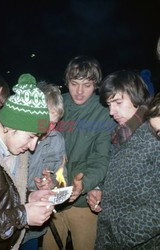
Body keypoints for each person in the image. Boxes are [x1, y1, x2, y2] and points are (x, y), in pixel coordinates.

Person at [43, 55, 114, 250]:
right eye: (74, 84)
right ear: (66, 82)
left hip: (83, 202)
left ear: (96, 85)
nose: (80, 92)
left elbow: (101, 158)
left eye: (87, 85)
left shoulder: (104, 112)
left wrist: (85, 184)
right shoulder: (57, 104)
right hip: (52, 198)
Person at [87, 70, 160, 249]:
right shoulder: (121, 132)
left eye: (118, 102)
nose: (112, 112)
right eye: (109, 104)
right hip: (110, 236)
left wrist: (121, 233)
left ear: (136, 96)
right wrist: (100, 190)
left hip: (137, 242)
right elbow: (118, 173)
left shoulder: (155, 135)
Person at [0, 73, 55, 250]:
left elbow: (0, 195)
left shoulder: (18, 149)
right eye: (31, 136)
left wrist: (29, 197)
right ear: (11, 125)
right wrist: (23, 215)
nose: (33, 147)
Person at [20, 82, 67, 250]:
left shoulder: (57, 140)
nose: (48, 129)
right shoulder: (18, 135)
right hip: (12, 216)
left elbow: (62, 176)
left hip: (35, 224)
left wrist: (51, 183)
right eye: (44, 120)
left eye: (54, 123)